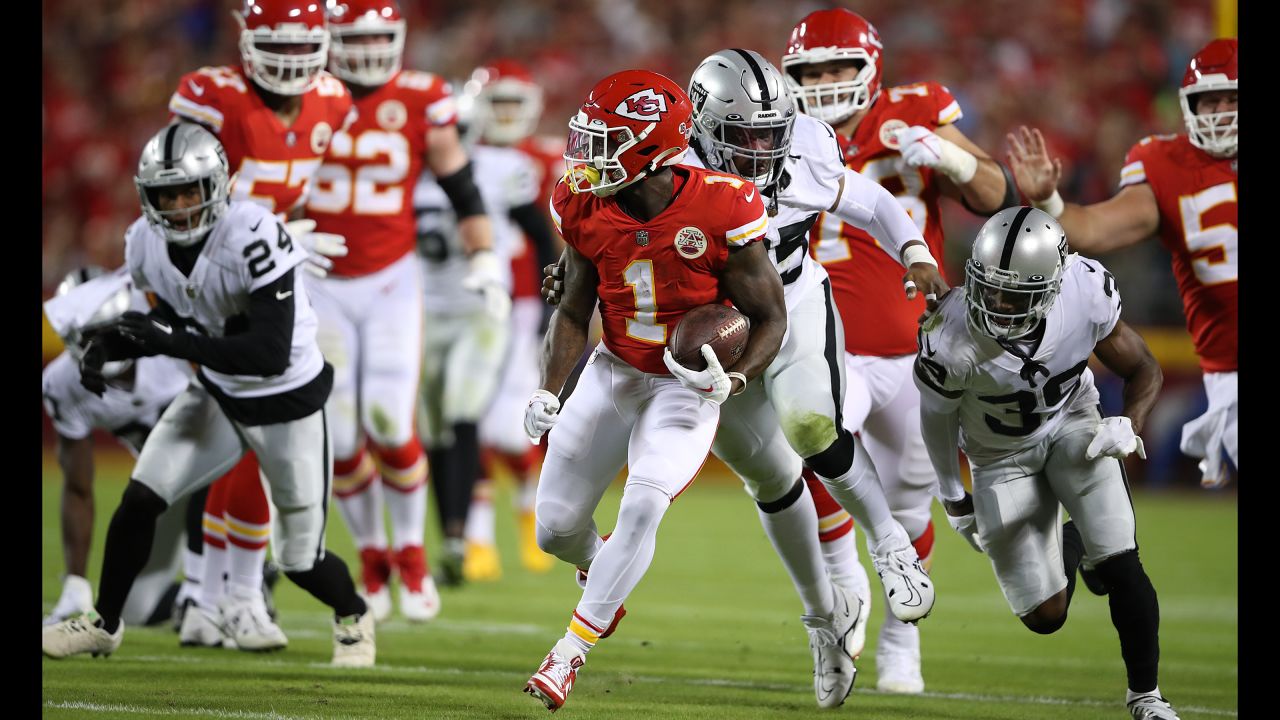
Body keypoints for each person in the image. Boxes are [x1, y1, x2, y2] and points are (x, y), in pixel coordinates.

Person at [543, 49, 944, 707]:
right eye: (743, 134)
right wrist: (575, 268)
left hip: (795, 305)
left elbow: (871, 202)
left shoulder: (806, 146)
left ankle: (891, 542)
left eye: (770, 133)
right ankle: (824, 619)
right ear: (697, 127)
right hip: (718, 328)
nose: (760, 149)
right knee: (772, 480)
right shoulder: (669, 171)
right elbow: (610, 236)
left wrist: (916, 251)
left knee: (813, 421)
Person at [41, 123, 375, 668]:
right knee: (139, 501)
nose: (177, 205)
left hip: (285, 399)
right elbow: (175, 313)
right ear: (146, 197)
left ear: (217, 186)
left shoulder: (253, 233)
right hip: (218, 392)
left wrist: (166, 340)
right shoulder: (145, 243)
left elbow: (267, 352)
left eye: (188, 191)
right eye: (164, 193)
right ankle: (104, 624)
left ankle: (354, 615)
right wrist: (111, 343)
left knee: (299, 558)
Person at [521, 69, 788, 712]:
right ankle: (602, 573)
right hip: (615, 368)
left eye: (605, 139)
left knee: (644, 503)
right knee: (555, 531)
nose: (587, 154)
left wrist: (737, 377)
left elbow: (771, 316)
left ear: (651, 148)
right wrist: (550, 389)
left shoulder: (724, 204)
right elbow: (572, 305)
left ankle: (569, 652)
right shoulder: (582, 204)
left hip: (686, 384)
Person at [781, 7, 1022, 692]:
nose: (825, 82)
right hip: (828, 345)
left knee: (913, 504)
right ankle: (842, 577)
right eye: (811, 71)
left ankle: (900, 637)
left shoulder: (914, 110)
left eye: (838, 68)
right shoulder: (778, 134)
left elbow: (1000, 194)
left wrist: (946, 154)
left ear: (872, 67)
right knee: (811, 436)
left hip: (916, 349)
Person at [916, 206, 1177, 720]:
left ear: (1051, 287)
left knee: (1122, 561)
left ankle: (1146, 696)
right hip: (998, 456)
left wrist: (1130, 421)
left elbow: (1143, 366)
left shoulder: (1083, 290)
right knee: (1044, 616)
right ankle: (1074, 545)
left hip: (1072, 421)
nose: (995, 301)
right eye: (987, 286)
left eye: (1012, 292)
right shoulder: (950, 335)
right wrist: (953, 496)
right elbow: (936, 419)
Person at [165, 0, 356, 648]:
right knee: (249, 435)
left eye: (308, 49)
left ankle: (205, 595)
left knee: (234, 439)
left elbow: (291, 191)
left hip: (274, 280)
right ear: (248, 42)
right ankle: (234, 594)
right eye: (282, 47)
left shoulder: (331, 101)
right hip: (216, 279)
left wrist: (282, 237)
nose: (295, 63)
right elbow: (180, 195)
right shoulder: (213, 97)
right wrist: (271, 234)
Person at [304, 0, 498, 621]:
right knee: (338, 431)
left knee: (390, 420)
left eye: (377, 36)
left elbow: (459, 183)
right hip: (319, 278)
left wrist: (485, 256)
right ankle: (371, 556)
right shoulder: (306, 92)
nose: (366, 49)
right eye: (354, 37)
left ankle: (412, 555)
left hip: (390, 279)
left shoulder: (421, 96)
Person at [1007, 38, 1237, 489]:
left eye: (1233, 99)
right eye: (1211, 101)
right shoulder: (1167, 164)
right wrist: (1048, 198)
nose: (1223, 112)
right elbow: (1090, 228)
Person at [42, 268, 201, 630]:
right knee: (135, 608)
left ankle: (232, 588)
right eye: (91, 335)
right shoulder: (63, 383)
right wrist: (76, 583)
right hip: (161, 491)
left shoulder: (169, 353)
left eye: (110, 331)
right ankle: (215, 593)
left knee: (207, 479)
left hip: (211, 479)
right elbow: (78, 488)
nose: (103, 342)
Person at [462, 58, 562, 581]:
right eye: (494, 101)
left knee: (514, 424)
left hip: (530, 305)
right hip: (464, 303)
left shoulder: (551, 158)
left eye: (511, 103)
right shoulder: (454, 154)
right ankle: (478, 535)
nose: (503, 114)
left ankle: (528, 517)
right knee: (473, 421)